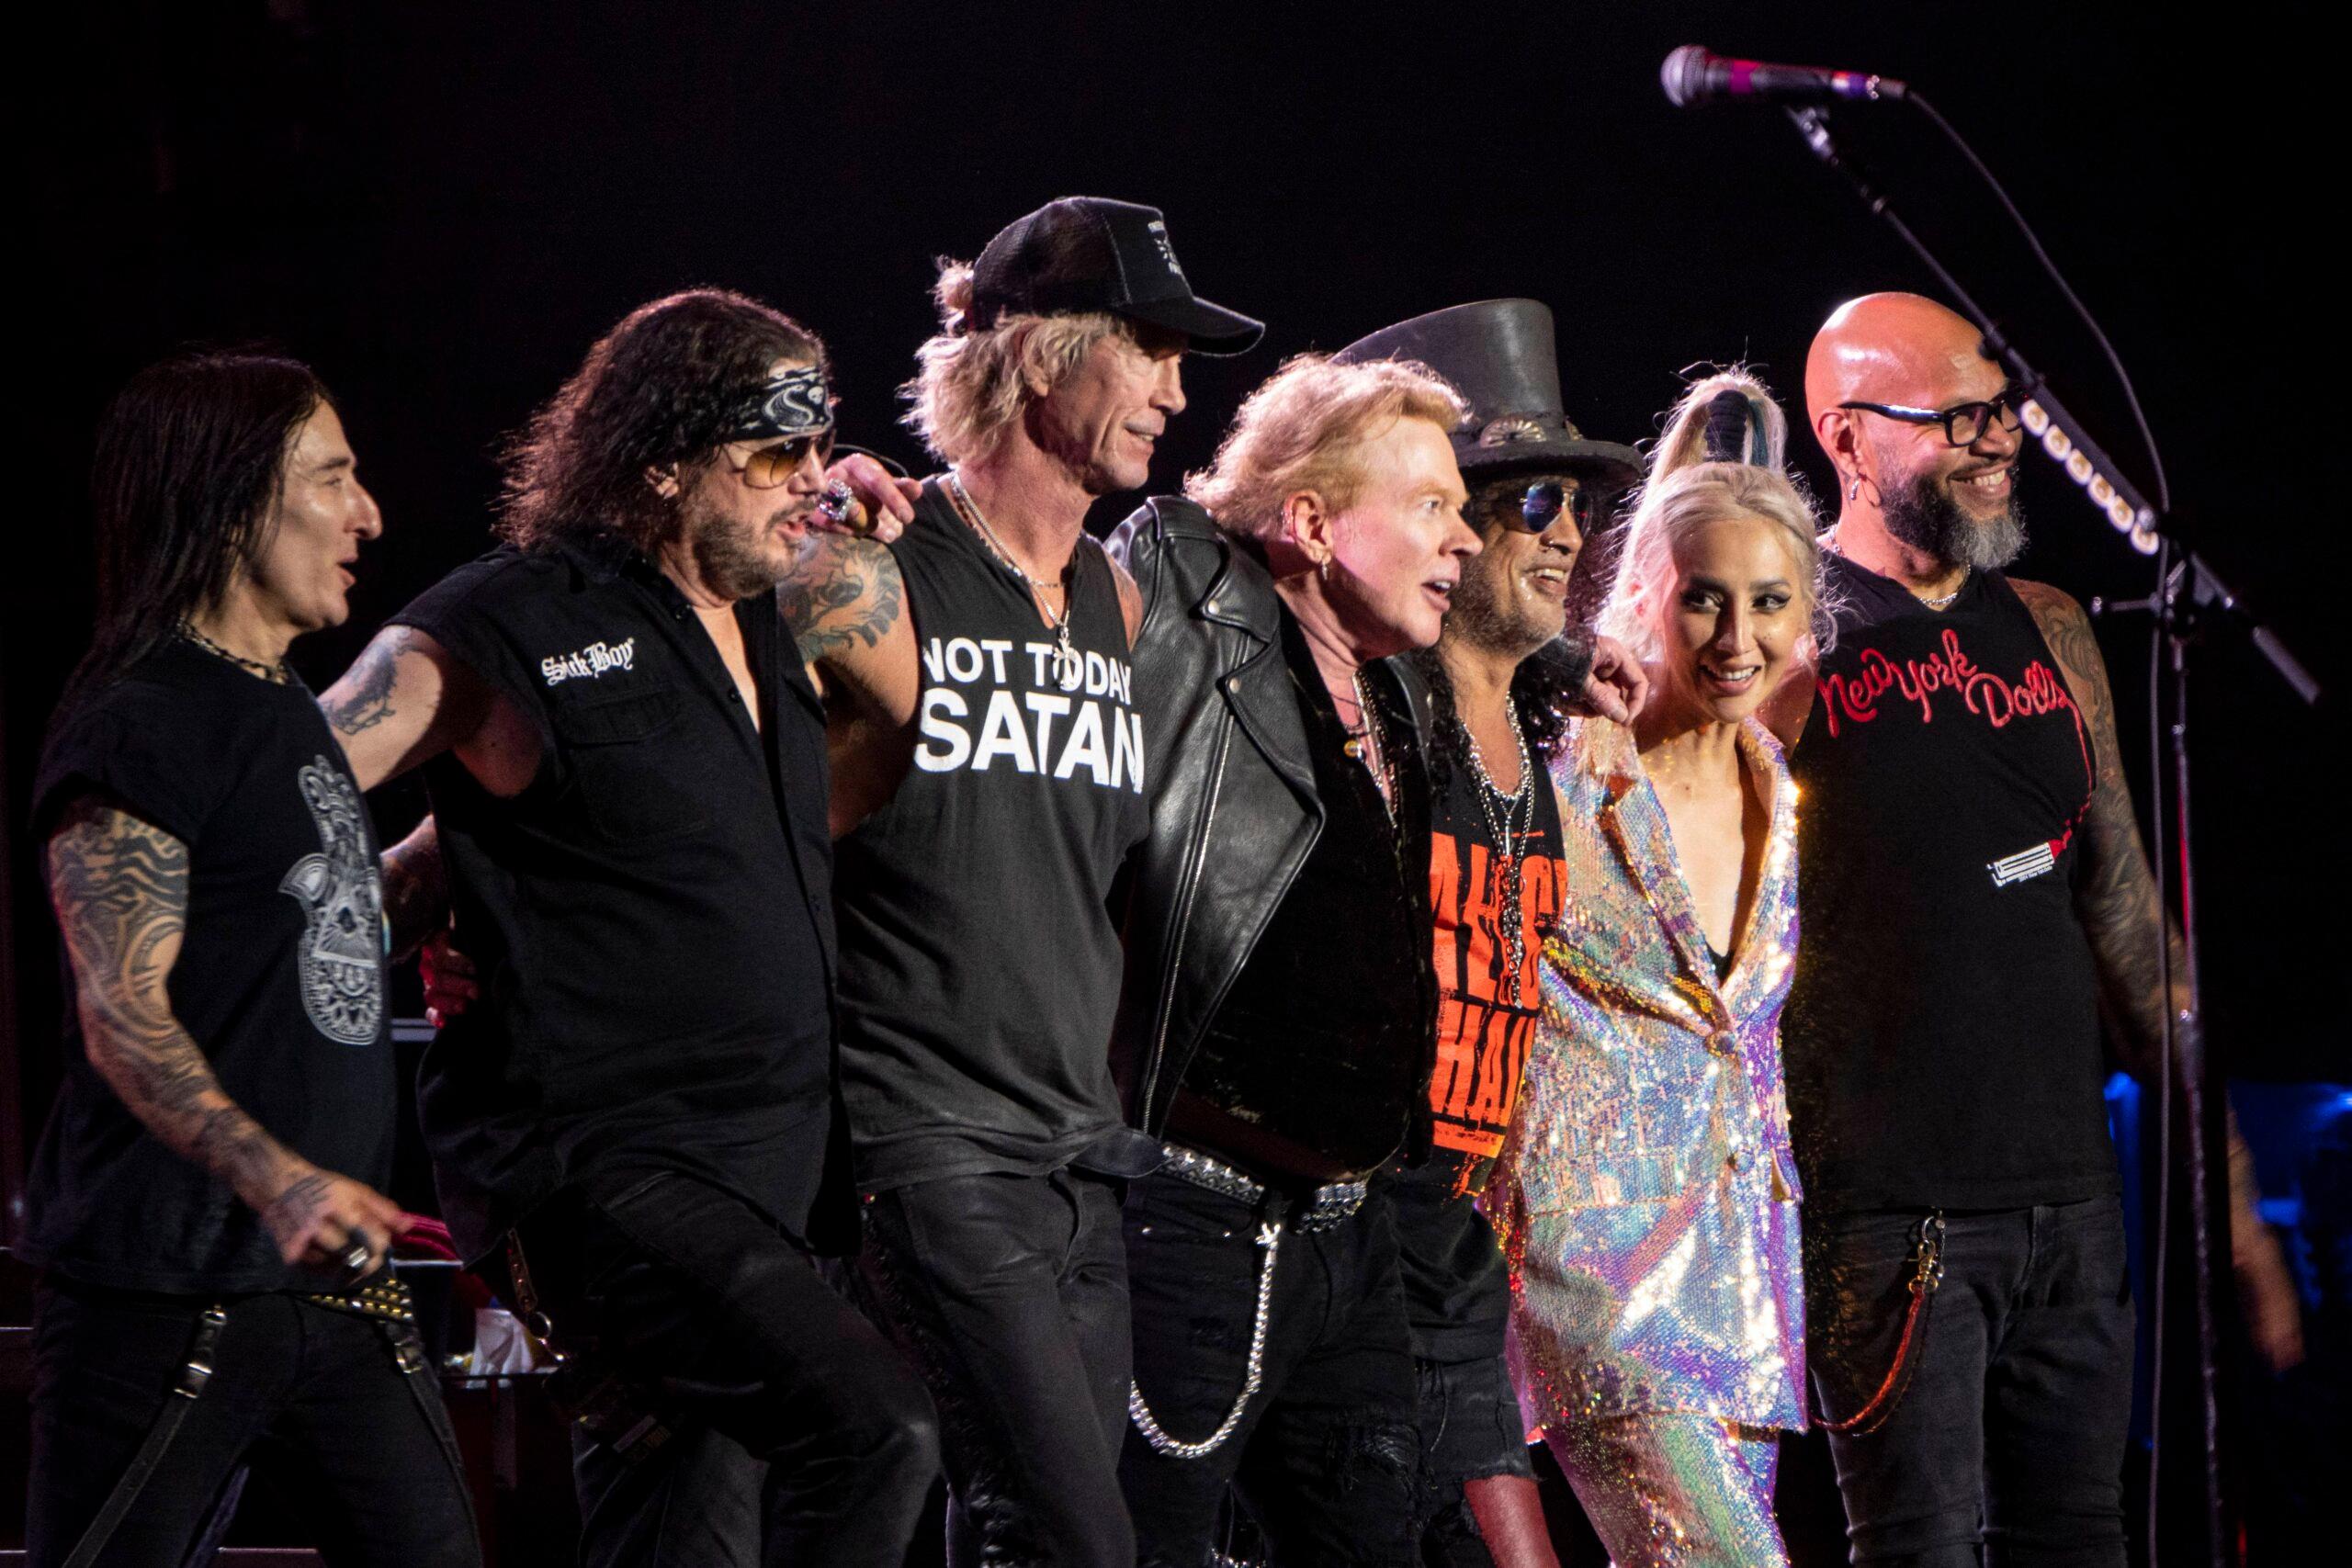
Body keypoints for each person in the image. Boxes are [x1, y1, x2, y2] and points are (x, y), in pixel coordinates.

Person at [316, 289, 940, 1568]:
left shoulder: (777, 616)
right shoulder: (510, 619)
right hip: (607, 1172)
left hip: (776, 1176)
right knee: (877, 1430)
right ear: (661, 463)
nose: (806, 483)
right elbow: (293, 776)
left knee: (683, 1536)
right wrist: (375, 898)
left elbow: (884, 739)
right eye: (774, 455)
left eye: (818, 449)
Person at [779, 195, 1261, 1566]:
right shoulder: (867, 559)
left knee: (1014, 1534)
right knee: (1074, 1538)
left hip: (1078, 1155)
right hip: (927, 1140)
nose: (1177, 393)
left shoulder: (1114, 601)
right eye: (1150, 350)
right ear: (1042, 353)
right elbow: (704, 769)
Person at [23, 350, 478, 1567]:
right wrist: (276, 1177)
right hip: (168, 1296)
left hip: (335, 1300)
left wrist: (470, 846)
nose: (369, 515)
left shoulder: (283, 711)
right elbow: (122, 1006)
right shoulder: (140, 717)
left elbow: (319, 939)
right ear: (232, 501)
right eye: (333, 478)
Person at [1782, 290, 2216, 1562]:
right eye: (1960, 416)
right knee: (1921, 1547)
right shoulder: (1778, 628)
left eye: (2004, 409)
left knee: (2082, 1540)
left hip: (2074, 1208)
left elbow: (2125, 910)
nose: (2000, 439)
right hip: (1890, 1217)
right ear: (1849, 439)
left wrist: (2225, 1184)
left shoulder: (2052, 626)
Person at [1101, 350, 1476, 1566]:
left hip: (1350, 1237)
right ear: (1312, 523)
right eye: (1432, 506)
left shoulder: (1397, 688)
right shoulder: (1194, 613)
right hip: (1197, 1223)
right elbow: (1163, 541)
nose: (1465, 537)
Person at [1490, 370, 1826, 1566]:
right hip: (1598, 1271)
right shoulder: (1571, 760)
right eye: (1705, 602)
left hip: (1744, 1277)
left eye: (1769, 603)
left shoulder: (1784, 794)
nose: (1738, 640)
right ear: (1649, 592)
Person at [1331, 300, 1645, 1568]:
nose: (1567, 531)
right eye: (1526, 503)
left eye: (1576, 503)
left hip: (1466, 1251)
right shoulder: (1368, 709)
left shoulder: (1547, 734)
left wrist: (1559, 661)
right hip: (1350, 1235)